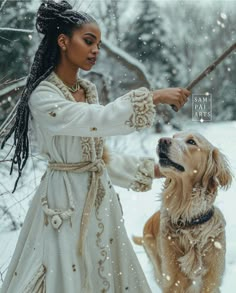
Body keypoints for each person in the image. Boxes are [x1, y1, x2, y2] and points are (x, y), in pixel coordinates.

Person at [1, 0, 190, 292]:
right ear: (63, 41)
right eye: (88, 41)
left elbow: (96, 159)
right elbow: (94, 120)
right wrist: (152, 97)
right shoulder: (43, 96)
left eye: (99, 44)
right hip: (62, 206)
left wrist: (154, 169)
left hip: (101, 205)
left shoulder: (87, 92)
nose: (95, 51)